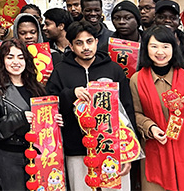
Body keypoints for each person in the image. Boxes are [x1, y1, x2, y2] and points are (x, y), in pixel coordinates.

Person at [46, 20, 135, 191]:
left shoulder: (113, 69)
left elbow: (127, 109)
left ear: (96, 41)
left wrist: (128, 153)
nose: (85, 47)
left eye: (89, 41)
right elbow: (50, 105)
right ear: (71, 46)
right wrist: (71, 94)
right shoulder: (61, 71)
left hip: (112, 148)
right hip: (77, 148)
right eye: (79, 43)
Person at [130, 26, 184, 191]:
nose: (160, 52)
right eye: (154, 46)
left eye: (165, 46)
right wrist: (150, 127)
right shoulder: (137, 80)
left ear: (174, 48)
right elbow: (135, 113)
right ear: (146, 49)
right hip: (155, 147)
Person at [0, 39, 63, 190]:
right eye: (10, 57)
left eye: (20, 57)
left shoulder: (37, 88)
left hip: (40, 153)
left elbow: (45, 121)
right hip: (9, 155)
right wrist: (19, 118)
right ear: (2, 61)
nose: (16, 62)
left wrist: (55, 121)